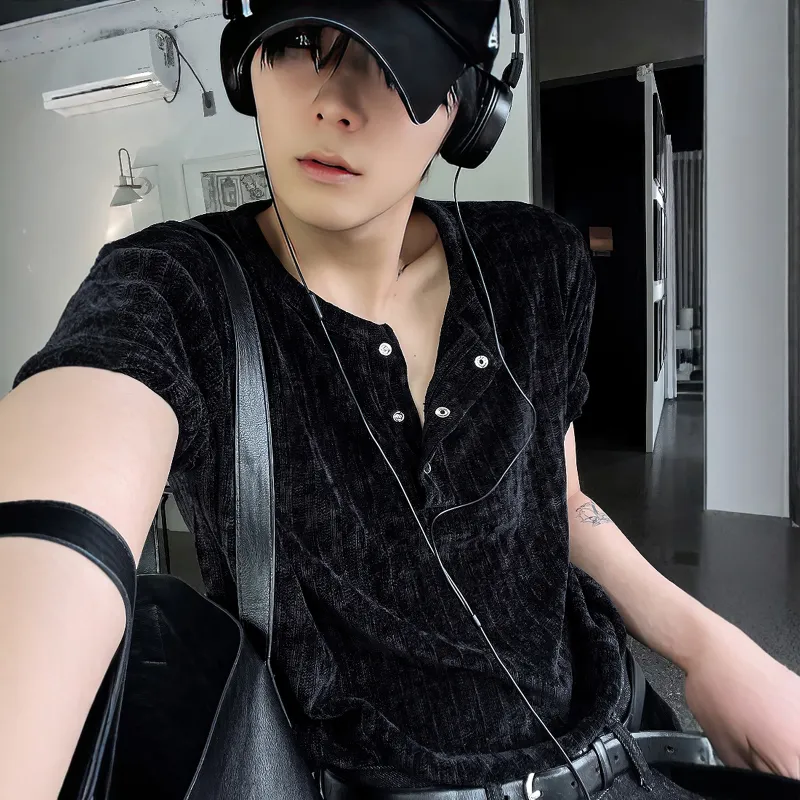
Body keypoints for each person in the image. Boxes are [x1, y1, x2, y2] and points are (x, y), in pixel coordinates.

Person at [0, 1, 799, 799]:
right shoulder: (174, 290)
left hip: (612, 751)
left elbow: (562, 502)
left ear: (468, 107)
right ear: (246, 64)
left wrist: (712, 649)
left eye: (392, 65)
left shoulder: (535, 262)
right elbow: (51, 529)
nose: (333, 103)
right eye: (297, 43)